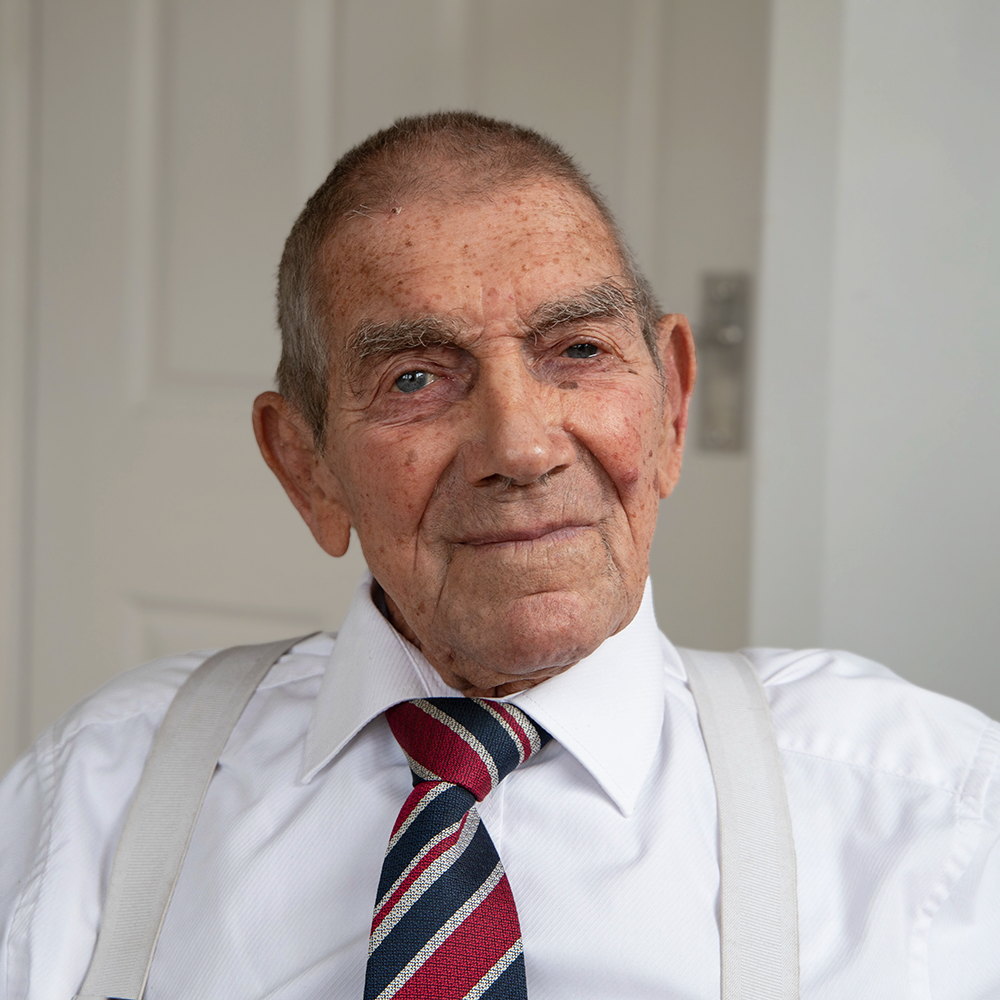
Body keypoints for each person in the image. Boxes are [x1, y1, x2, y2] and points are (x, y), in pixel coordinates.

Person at [1, 112, 998, 1000]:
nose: (520, 447)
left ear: (670, 409)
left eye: (576, 351)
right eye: (418, 376)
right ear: (306, 467)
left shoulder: (930, 813)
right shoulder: (98, 790)